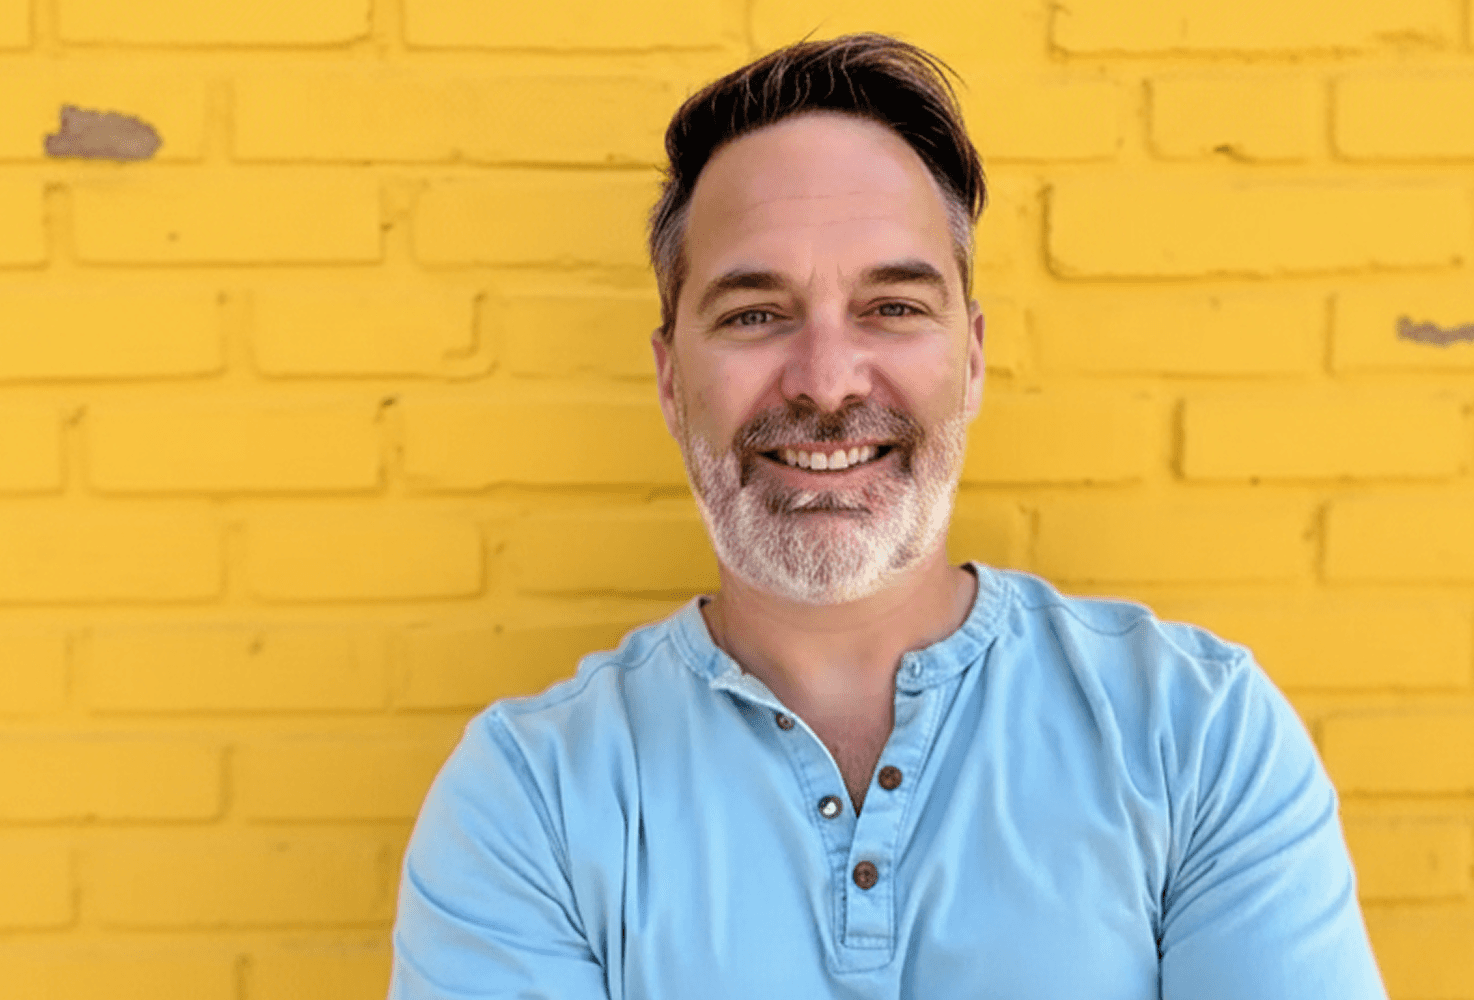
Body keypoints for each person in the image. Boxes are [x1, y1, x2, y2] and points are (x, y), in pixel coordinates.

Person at [390, 34, 1388, 999]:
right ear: (667, 377)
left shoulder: (1192, 734)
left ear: (974, 356)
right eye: (753, 314)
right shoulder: (530, 797)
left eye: (894, 307)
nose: (826, 382)